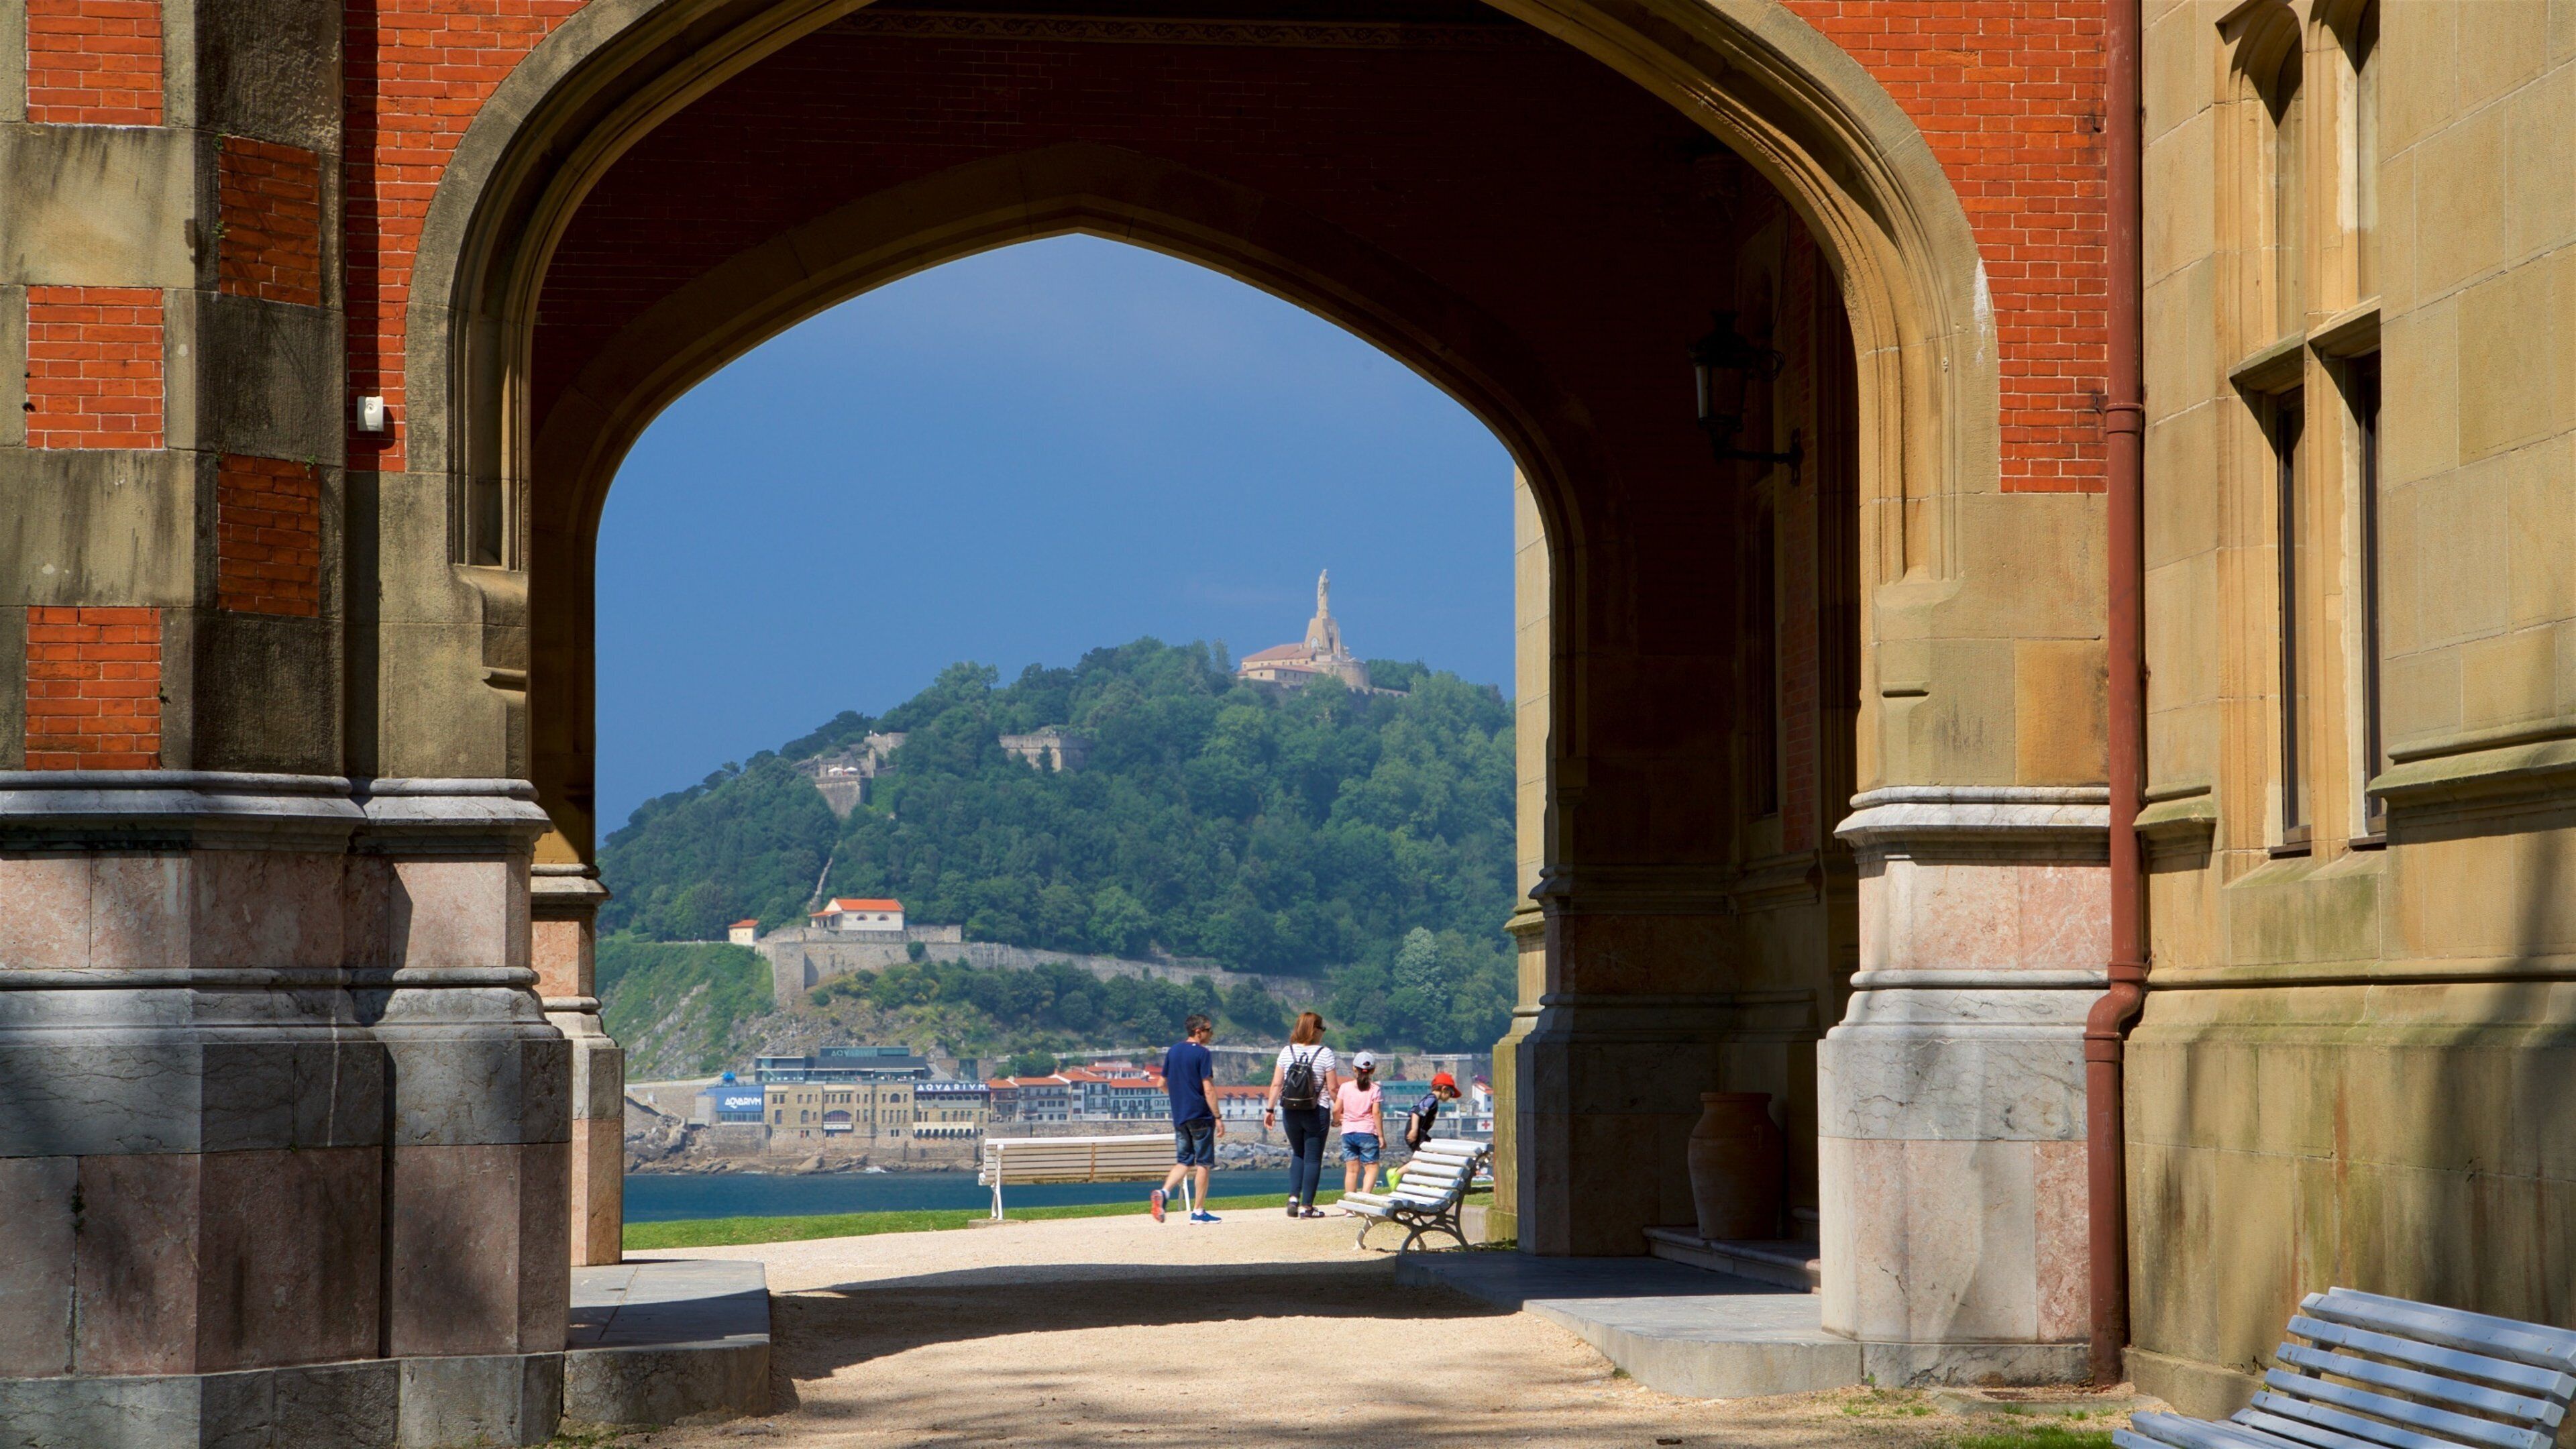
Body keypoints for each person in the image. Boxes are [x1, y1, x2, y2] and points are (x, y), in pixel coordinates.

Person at [1262, 1011, 1338, 1218]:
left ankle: (1293, 1198)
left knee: (1298, 1153)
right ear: (1314, 1031)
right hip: (1316, 1110)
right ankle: (1308, 1207)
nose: (1323, 1033)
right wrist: (1339, 1111)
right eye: (1322, 1029)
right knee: (1313, 1159)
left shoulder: (1287, 1052)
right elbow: (1333, 1089)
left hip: (1291, 1111)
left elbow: (1277, 1083)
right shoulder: (1325, 1053)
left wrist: (1270, 1110)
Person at [1152, 1014, 1222, 1224]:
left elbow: (1161, 1084)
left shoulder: (1173, 1051)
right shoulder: (1202, 1054)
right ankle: (1199, 1212)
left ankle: (1164, 1192)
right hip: (1200, 1114)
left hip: (1180, 1116)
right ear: (1198, 1031)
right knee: (1203, 1163)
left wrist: (1178, 1096)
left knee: (1184, 1161)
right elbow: (1208, 1088)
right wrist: (1218, 1116)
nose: (1211, 1034)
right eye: (1209, 1030)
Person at [1337, 1051, 1385, 1197]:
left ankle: (1350, 1207)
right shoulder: (1375, 1089)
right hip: (1367, 1132)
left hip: (1348, 1132)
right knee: (1371, 1167)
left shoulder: (1345, 1087)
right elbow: (1376, 1113)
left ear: (1354, 1068)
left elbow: (1336, 1109)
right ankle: (1364, 1199)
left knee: (1351, 1171)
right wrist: (1381, 1136)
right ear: (1373, 1070)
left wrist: (1337, 1119)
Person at [1401, 1071, 1463, 1150]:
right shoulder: (1432, 1100)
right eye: (1451, 1094)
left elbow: (1421, 1113)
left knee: (1432, 1153)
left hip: (1421, 1133)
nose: (1450, 1097)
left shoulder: (1432, 1100)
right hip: (1417, 1132)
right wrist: (1414, 1130)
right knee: (1424, 1156)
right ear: (1444, 1089)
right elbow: (1417, 1113)